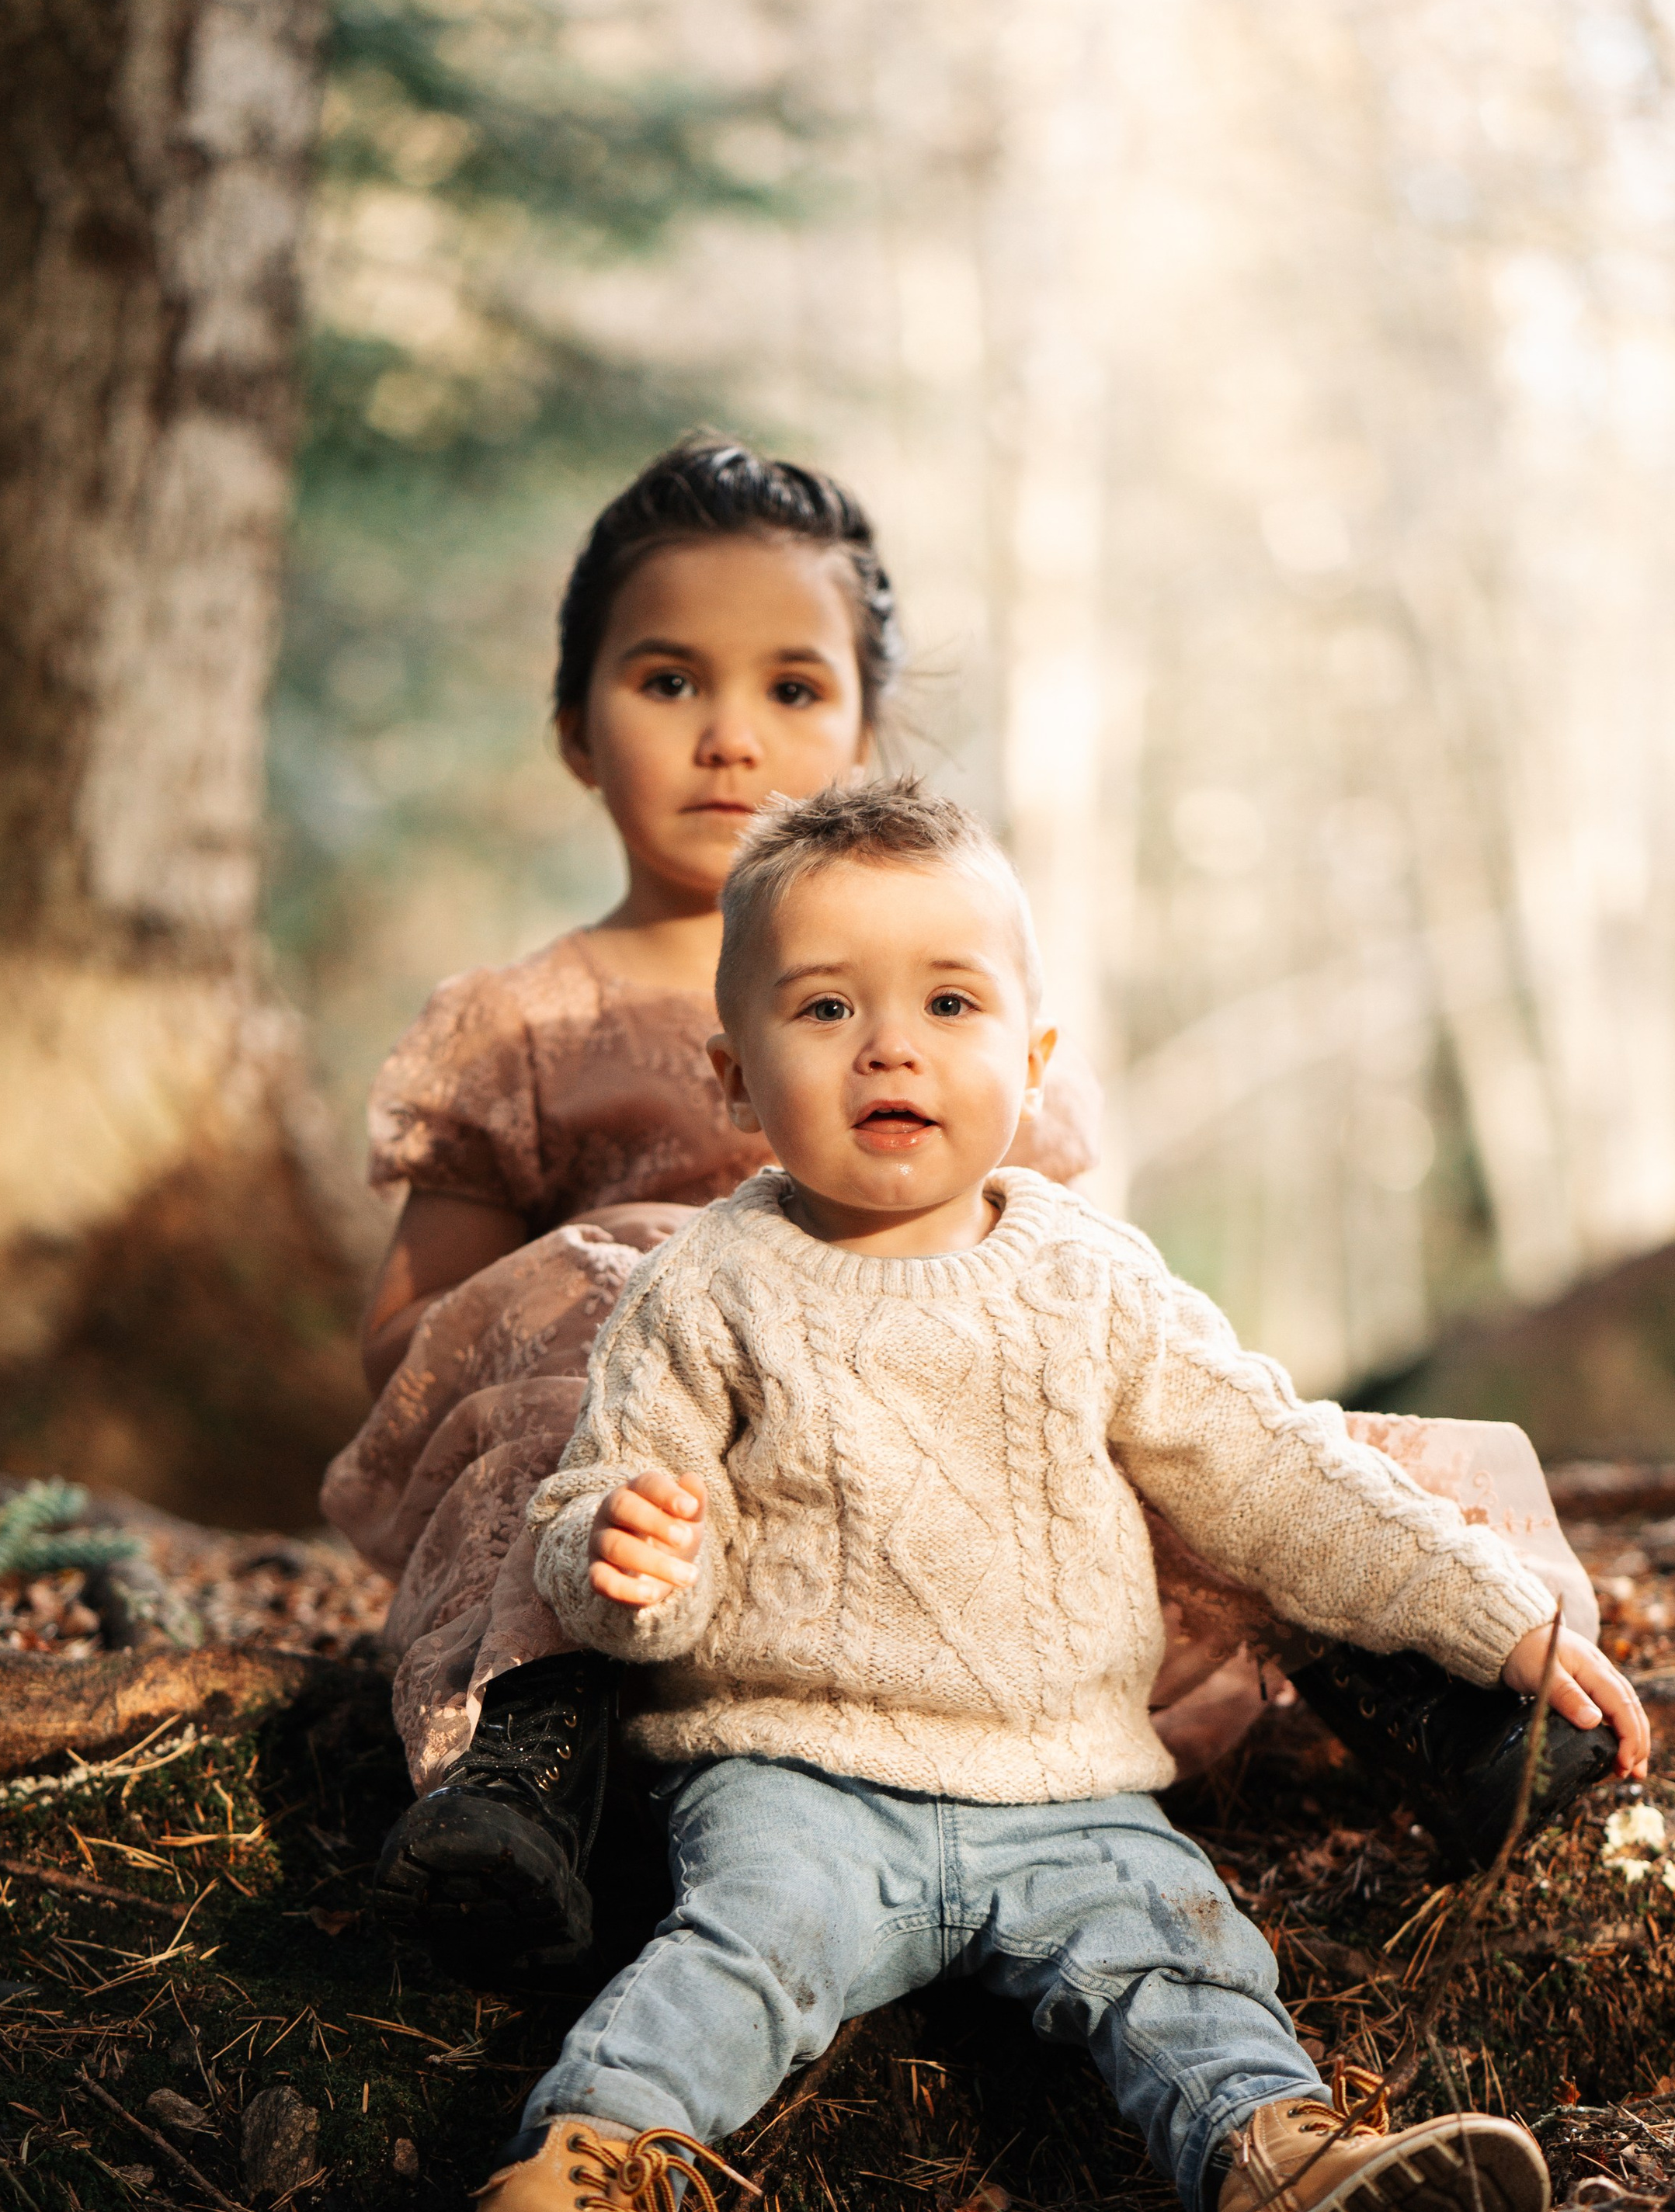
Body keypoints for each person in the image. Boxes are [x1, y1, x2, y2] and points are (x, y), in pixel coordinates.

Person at [402, 780, 1649, 2212]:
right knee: (746, 1945)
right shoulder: (701, 1287)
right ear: (732, 1074)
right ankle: (560, 2199)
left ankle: (1272, 2168)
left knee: (1180, 1945)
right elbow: (603, 1517)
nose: (888, 1047)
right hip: (795, 1769)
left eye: (947, 1002)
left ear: (1034, 1061)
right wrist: (625, 1559)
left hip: (1064, 1787)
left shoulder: (1087, 1274)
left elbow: (1270, 1474)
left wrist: (1492, 1611)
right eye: (824, 1006)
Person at [325, 435, 1601, 1974]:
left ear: (862, 732)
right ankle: (524, 1774)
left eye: (790, 690)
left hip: (928, 1517)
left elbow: (1055, 1288)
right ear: (575, 729)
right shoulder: (522, 1026)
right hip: (657, 1508)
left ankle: (1414, 1688)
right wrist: (631, 1302)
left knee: (1187, 1432)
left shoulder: (943, 1008)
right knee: (631, 1316)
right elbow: (410, 1354)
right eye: (668, 684)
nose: (730, 739)